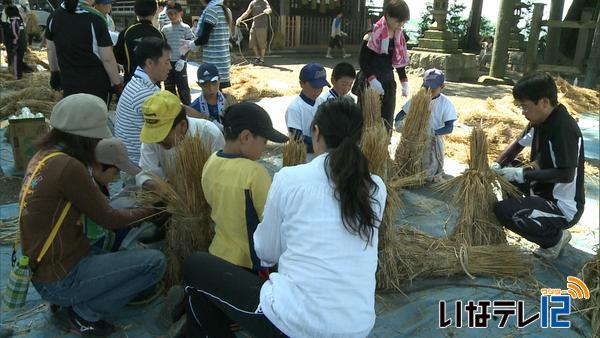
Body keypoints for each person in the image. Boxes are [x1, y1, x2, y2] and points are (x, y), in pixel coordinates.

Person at [182, 99, 387, 337]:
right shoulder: (376, 188)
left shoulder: (289, 179)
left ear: (316, 132)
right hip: (357, 326)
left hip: (295, 323)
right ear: (359, 138)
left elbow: (266, 253)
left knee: (194, 266)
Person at [19, 94, 165, 336]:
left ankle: (69, 303)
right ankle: (84, 315)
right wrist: (151, 212)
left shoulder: (44, 156)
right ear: (84, 137)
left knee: (118, 254)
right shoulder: (68, 167)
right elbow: (109, 218)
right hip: (60, 279)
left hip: (45, 271)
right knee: (154, 263)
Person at [492, 72, 585, 260]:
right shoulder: (539, 121)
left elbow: (566, 175)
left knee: (502, 211)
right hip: (541, 190)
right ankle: (525, 210)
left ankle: (555, 238)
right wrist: (497, 164)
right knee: (507, 169)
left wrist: (522, 175)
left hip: (561, 206)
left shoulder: (563, 128)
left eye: (525, 107)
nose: (522, 112)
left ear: (544, 102)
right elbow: (517, 145)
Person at [200, 102, 287, 273]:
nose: (264, 149)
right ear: (245, 137)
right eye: (264, 141)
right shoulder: (254, 173)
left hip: (217, 252)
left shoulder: (210, 162)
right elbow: (270, 222)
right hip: (248, 262)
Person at [136, 91, 225, 190]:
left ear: (182, 125)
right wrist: (158, 186)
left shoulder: (209, 133)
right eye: (155, 134)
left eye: (163, 134)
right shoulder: (152, 138)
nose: (158, 140)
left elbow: (222, 175)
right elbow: (147, 172)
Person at [46, 0, 122, 103]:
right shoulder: (96, 19)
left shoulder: (53, 17)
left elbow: (51, 49)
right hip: (96, 86)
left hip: (69, 84)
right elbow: (107, 59)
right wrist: (117, 84)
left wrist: (54, 73)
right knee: (96, 118)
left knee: (75, 117)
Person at [114, 37, 172, 164]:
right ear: (150, 63)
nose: (170, 67)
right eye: (166, 62)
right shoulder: (144, 94)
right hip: (139, 164)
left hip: (133, 157)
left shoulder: (139, 82)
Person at [394, 68, 456, 182]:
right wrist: (400, 125)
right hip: (413, 139)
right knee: (405, 168)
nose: (429, 90)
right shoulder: (416, 100)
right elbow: (399, 116)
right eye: (427, 87)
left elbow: (449, 127)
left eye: (433, 88)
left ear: (442, 87)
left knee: (428, 174)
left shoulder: (446, 104)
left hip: (433, 141)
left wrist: (431, 133)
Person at [355, 0, 410, 129]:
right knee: (367, 121)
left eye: (403, 22)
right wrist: (372, 80)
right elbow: (363, 61)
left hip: (388, 81)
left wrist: (404, 81)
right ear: (388, 15)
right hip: (369, 82)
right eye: (398, 21)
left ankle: (383, 147)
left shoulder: (400, 36)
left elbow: (399, 61)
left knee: (386, 121)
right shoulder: (373, 34)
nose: (400, 24)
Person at [84, 138, 141, 252]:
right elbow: (108, 219)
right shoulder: (87, 188)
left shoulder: (98, 180)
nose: (116, 178)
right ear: (99, 166)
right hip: (90, 248)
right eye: (115, 172)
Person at [286, 62, 330, 162]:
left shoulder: (322, 102)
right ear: (301, 83)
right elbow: (296, 136)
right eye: (314, 87)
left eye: (321, 87)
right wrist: (322, 145)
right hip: (304, 158)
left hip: (321, 157)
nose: (318, 91)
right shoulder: (295, 107)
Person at [114, 0, 164, 85]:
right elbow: (163, 60)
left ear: (135, 11)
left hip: (131, 82)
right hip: (153, 83)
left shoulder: (126, 32)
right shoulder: (159, 34)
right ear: (155, 11)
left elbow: (117, 56)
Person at [186, 0, 232, 88]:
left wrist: (190, 45)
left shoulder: (211, 11)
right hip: (224, 60)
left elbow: (204, 38)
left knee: (212, 93)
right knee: (218, 94)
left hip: (213, 61)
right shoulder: (227, 10)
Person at [161, 2, 194, 105]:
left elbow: (190, 44)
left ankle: (188, 108)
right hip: (168, 63)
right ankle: (172, 107)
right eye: (170, 13)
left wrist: (183, 59)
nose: (173, 16)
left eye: (175, 13)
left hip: (180, 62)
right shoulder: (165, 29)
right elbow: (163, 46)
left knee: (183, 87)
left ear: (181, 13)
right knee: (169, 86)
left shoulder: (186, 28)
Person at [189, 63, 237, 131]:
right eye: (205, 83)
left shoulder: (230, 101)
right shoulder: (194, 108)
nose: (210, 87)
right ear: (199, 84)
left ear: (219, 80)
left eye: (213, 82)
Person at [235, 0, 271, 65]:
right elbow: (247, 12)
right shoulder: (253, 3)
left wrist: (268, 10)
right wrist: (240, 18)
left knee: (262, 43)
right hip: (254, 25)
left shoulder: (264, 2)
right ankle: (257, 57)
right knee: (252, 42)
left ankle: (262, 59)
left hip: (262, 26)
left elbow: (269, 8)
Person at [4, 5, 26, 79]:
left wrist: (14, 47)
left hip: (17, 45)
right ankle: (20, 75)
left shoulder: (13, 22)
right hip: (22, 44)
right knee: (19, 61)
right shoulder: (20, 21)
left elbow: (16, 35)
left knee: (16, 61)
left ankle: (17, 77)